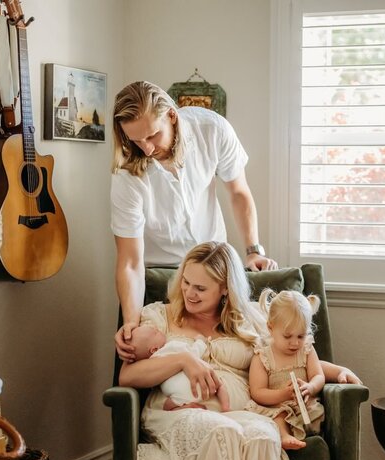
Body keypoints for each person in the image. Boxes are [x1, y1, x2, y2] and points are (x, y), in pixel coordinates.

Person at [118, 241, 294, 460]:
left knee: (263, 437)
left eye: (200, 288)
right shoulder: (159, 317)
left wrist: (329, 373)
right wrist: (183, 359)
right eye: (186, 282)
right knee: (221, 432)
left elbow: (287, 358)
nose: (189, 292)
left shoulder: (251, 319)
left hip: (241, 411)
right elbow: (128, 377)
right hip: (178, 412)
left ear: (225, 288)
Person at [110, 81, 277, 362]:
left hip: (214, 267)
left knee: (231, 358)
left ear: (172, 116)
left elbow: (238, 192)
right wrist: (132, 322)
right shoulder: (126, 174)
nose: (147, 149)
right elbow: (129, 261)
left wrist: (252, 250)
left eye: (152, 136)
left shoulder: (212, 129)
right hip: (161, 277)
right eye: (136, 140)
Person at [246, 289, 325, 450]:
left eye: (300, 336)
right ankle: (284, 436)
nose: (295, 343)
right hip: (277, 405)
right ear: (270, 328)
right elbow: (257, 392)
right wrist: (283, 394)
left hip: (304, 404)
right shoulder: (263, 357)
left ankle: (311, 434)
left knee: (317, 412)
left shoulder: (307, 350)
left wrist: (310, 387)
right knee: (278, 416)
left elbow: (318, 375)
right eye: (288, 337)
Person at [127, 319, 230, 412]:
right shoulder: (172, 346)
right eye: (155, 333)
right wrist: (200, 341)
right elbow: (193, 353)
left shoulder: (152, 364)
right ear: (154, 349)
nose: (157, 330)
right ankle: (226, 407)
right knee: (220, 385)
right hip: (202, 384)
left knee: (166, 406)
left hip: (177, 395)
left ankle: (184, 407)